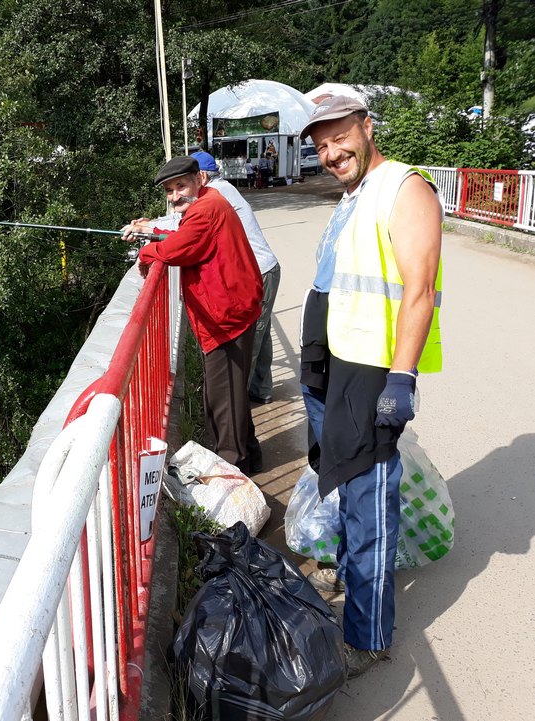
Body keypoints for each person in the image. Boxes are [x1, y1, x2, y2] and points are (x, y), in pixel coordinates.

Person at [297, 96, 443, 678]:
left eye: (340, 138)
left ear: (367, 126)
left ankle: (368, 635)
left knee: (369, 498)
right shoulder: (354, 194)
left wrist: (401, 378)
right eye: (321, 145)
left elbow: (420, 288)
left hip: (372, 368)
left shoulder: (405, 188)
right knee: (339, 475)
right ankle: (345, 570)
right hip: (334, 359)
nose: (332, 153)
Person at [121, 157, 263, 474]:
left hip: (226, 317)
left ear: (199, 179)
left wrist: (145, 252)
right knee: (232, 395)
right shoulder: (207, 202)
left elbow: (178, 249)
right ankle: (251, 458)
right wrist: (152, 233)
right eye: (169, 190)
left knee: (222, 403)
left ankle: (232, 472)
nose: (175, 196)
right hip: (232, 310)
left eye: (180, 186)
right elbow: (184, 238)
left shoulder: (206, 209)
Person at [188, 151, 282, 412]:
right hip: (264, 270)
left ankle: (238, 406)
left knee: (251, 339)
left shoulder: (216, 194)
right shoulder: (222, 190)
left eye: (187, 181)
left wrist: (150, 228)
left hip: (259, 272)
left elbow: (189, 226)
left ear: (201, 176)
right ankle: (260, 390)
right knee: (261, 334)